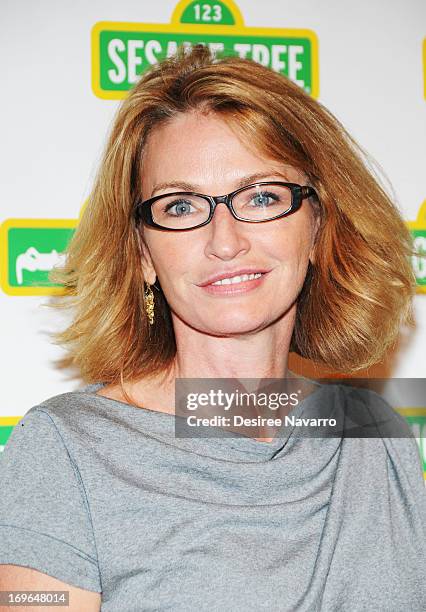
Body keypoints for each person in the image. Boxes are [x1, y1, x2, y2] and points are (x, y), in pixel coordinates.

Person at [0, 43, 425, 612]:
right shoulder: (67, 452)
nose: (225, 240)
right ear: (144, 254)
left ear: (319, 226)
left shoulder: (375, 436)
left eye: (261, 196)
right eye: (180, 206)